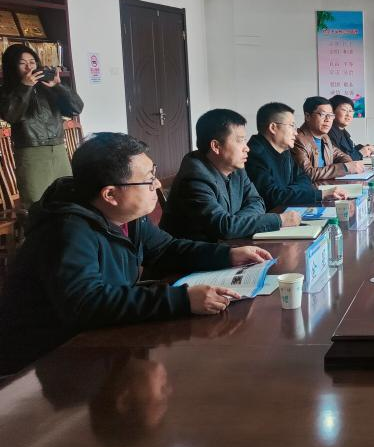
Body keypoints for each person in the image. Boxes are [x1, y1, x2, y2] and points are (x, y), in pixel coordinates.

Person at [0, 133, 272, 375]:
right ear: (110, 194)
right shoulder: (67, 230)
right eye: (148, 180)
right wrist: (181, 299)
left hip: (99, 340)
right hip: (44, 363)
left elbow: (166, 249)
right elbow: (85, 303)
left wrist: (228, 255)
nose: (157, 185)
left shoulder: (127, 216)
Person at [160, 109, 302, 241]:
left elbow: (257, 202)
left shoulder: (235, 167)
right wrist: (279, 220)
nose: (247, 148)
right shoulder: (195, 177)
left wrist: (235, 222)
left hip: (229, 245)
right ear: (216, 146)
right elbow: (223, 228)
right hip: (195, 256)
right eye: (240, 141)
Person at [0, 44, 84, 205]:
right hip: (31, 152)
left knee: (67, 197)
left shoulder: (48, 86)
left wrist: (58, 86)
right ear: (12, 66)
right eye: (22, 63)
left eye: (32, 62)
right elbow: (12, 115)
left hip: (58, 148)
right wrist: (25, 87)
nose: (29, 67)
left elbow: (76, 108)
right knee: (37, 202)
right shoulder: (7, 91)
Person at [245, 102, 347, 209]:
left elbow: (304, 178)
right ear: (273, 127)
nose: (295, 132)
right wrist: (321, 194)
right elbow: (274, 197)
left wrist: (288, 192)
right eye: (291, 126)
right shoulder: (254, 155)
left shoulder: (284, 150)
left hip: (289, 209)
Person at [292, 96, 364, 181]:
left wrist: (350, 164)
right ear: (308, 116)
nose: (328, 119)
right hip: (312, 188)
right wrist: (345, 167)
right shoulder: (298, 140)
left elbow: (340, 155)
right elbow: (307, 174)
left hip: (327, 185)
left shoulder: (324, 137)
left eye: (330, 115)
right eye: (323, 115)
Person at [328, 94, 374, 161]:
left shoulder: (342, 131)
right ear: (332, 112)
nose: (348, 114)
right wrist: (360, 153)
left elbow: (349, 151)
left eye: (350, 111)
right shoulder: (329, 132)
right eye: (344, 110)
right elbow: (339, 160)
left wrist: (364, 148)